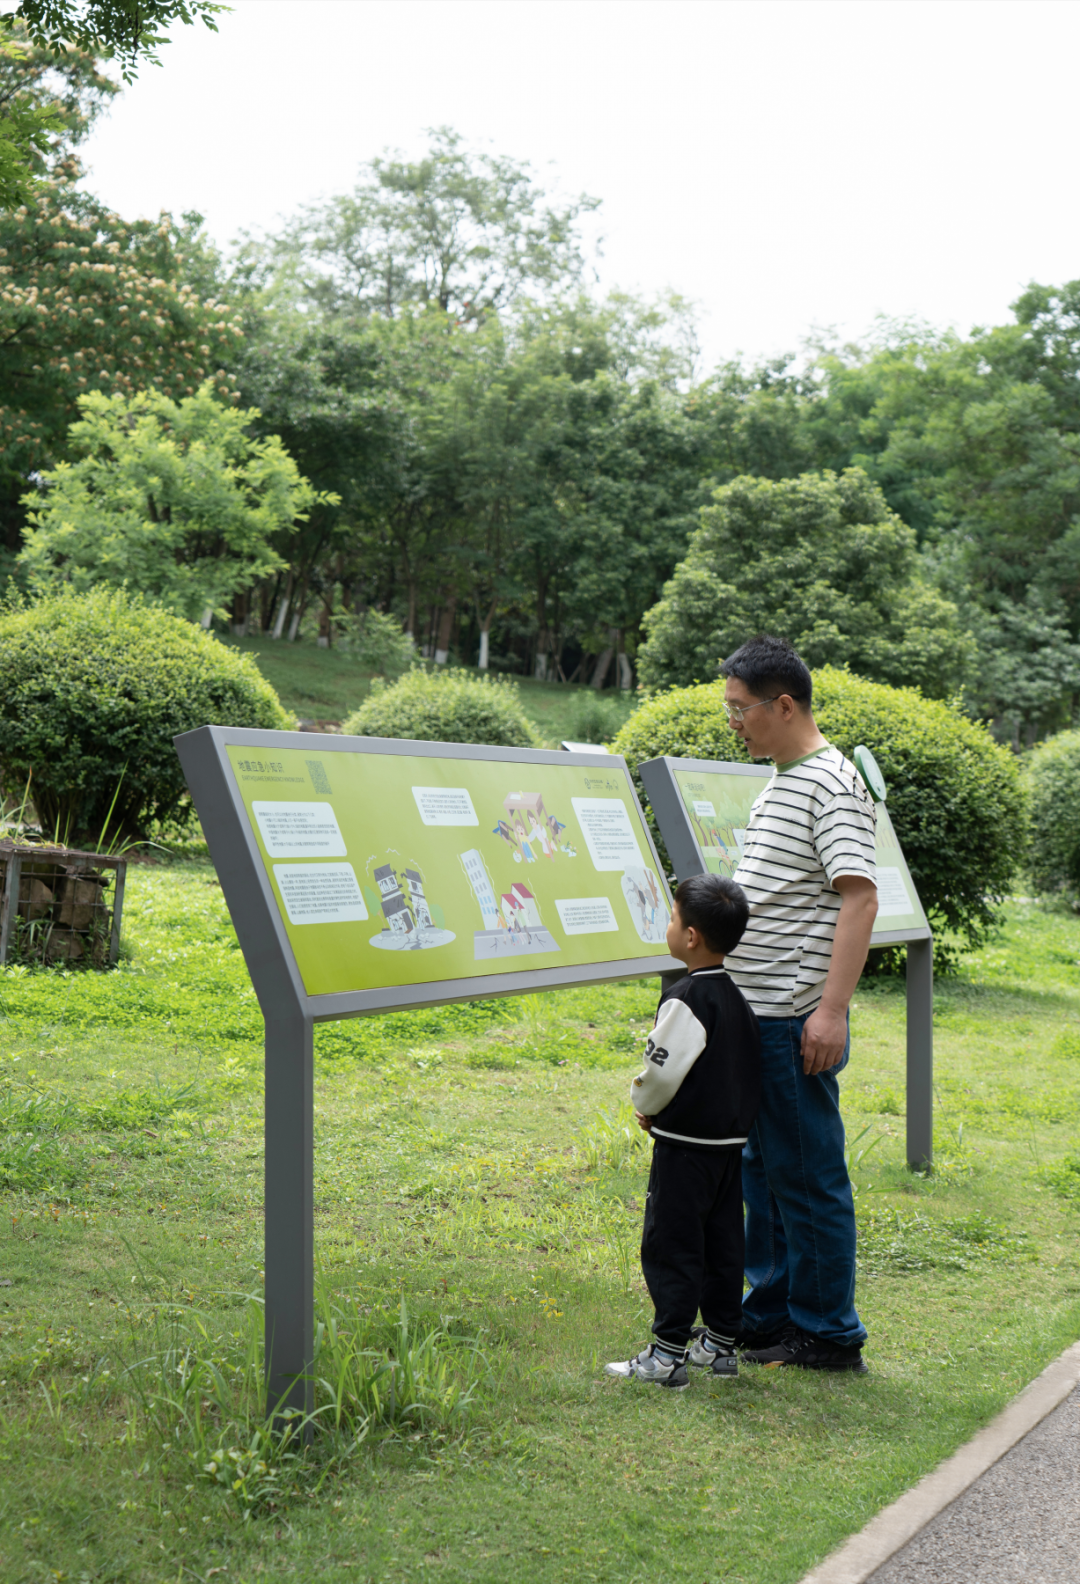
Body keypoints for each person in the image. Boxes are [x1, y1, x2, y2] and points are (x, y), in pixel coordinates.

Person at [721, 634, 878, 1374]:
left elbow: (859, 898)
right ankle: (774, 1313)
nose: (734, 724)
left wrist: (831, 1010)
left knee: (808, 1177)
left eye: (740, 711)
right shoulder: (783, 778)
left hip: (794, 1016)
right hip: (758, 1016)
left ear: (783, 705)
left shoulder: (831, 784)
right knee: (766, 1172)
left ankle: (826, 1332)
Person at [605, 875, 761, 1389]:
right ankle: (720, 1343)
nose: (668, 926)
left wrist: (646, 1107)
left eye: (672, 919)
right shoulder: (738, 999)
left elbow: (662, 1070)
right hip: (727, 1148)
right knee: (722, 1243)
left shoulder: (685, 997)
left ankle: (667, 1354)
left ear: (691, 936)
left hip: (684, 1149)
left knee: (672, 1243)